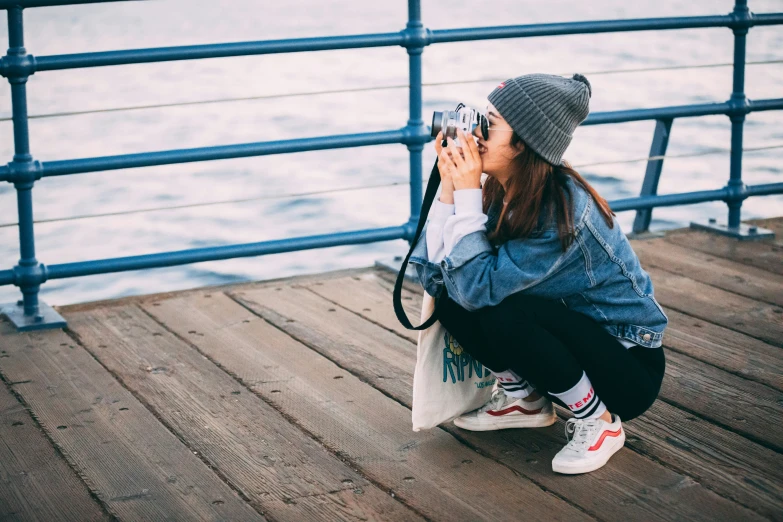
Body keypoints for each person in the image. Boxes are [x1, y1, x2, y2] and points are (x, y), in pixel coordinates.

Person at [409, 73, 667, 475]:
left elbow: (480, 291)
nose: (476, 133)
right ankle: (523, 399)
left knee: (496, 306)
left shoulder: (561, 212)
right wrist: (450, 186)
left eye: (489, 124)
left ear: (524, 143)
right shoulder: (503, 188)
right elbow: (437, 278)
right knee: (452, 294)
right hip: (568, 343)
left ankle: (598, 423)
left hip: (627, 368)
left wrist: (466, 194)